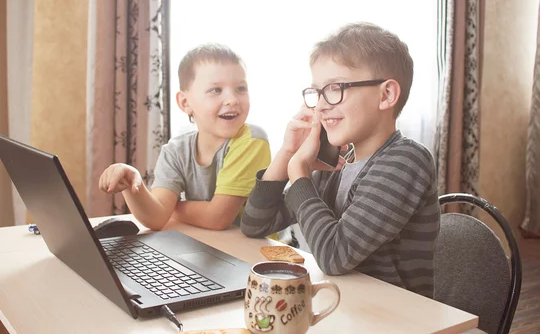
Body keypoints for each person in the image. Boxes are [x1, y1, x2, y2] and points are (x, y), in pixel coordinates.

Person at [241, 23, 439, 298]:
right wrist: (288, 152)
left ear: (386, 95)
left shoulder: (405, 162)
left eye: (335, 89)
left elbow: (334, 256)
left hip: (391, 316)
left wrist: (298, 171)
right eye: (317, 92)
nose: (321, 105)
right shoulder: (335, 164)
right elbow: (255, 224)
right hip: (340, 303)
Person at [99, 43, 271, 231]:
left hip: (261, 253)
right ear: (185, 102)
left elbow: (217, 218)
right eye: (216, 90)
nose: (232, 99)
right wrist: (131, 185)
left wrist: (171, 207)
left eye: (240, 88)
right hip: (212, 245)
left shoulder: (252, 140)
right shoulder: (175, 151)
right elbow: (156, 218)